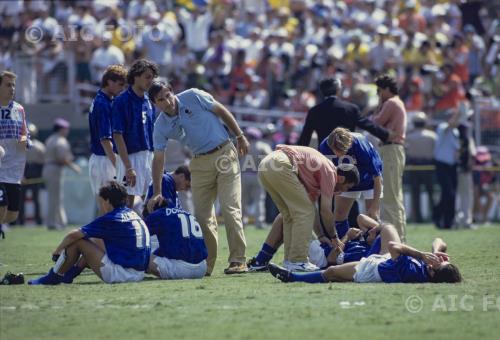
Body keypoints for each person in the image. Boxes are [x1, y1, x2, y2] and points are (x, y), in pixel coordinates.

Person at [146, 81, 249, 275]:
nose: (167, 101)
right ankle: (207, 265)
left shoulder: (193, 95)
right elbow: (158, 159)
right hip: (199, 162)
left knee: (229, 208)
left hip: (224, 153)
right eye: (161, 99)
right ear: (154, 103)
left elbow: (222, 111)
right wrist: (157, 192)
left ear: (172, 92)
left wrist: (240, 135)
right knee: (202, 216)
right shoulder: (159, 125)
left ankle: (238, 260)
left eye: (168, 95)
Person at [258, 144, 360, 272]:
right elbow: (325, 211)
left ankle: (290, 261)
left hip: (267, 164)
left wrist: (321, 235)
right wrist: (334, 237)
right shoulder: (330, 173)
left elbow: (313, 208)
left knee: (290, 215)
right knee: (304, 212)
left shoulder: (318, 176)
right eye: (347, 187)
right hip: (281, 164)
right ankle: (298, 260)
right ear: (341, 178)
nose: (342, 192)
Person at [28, 181, 151, 285]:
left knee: (79, 242)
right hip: (139, 273)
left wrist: (57, 250)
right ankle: (70, 275)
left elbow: (74, 235)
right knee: (94, 240)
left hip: (123, 275)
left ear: (107, 201)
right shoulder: (133, 214)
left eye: (102, 201)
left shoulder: (111, 218)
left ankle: (53, 276)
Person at [269, 227, 462, 284]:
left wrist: (420, 254)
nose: (437, 262)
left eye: (439, 265)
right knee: (387, 227)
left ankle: (292, 278)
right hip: (384, 260)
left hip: (372, 270)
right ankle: (370, 236)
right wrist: (436, 252)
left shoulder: (414, 271)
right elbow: (440, 240)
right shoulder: (432, 267)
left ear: (435, 275)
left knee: (332, 272)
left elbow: (395, 246)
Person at [247, 213, 382, 271]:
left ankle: (261, 260)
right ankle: (261, 261)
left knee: (285, 217)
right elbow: (361, 217)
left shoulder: (363, 252)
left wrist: (347, 236)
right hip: (321, 249)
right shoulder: (367, 242)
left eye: (373, 232)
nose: (370, 230)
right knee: (286, 220)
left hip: (321, 258)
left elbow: (331, 259)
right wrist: (381, 229)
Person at [319, 127, 383, 235]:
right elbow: (326, 174)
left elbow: (377, 178)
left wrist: (375, 206)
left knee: (372, 217)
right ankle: (342, 244)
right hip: (346, 181)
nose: (339, 154)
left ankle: (374, 247)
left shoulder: (361, 145)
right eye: (336, 150)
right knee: (339, 214)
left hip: (368, 180)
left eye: (342, 150)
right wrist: (335, 188)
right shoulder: (325, 147)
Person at [112, 59, 158, 207]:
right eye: (147, 76)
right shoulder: (122, 101)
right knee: (126, 203)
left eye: (152, 77)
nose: (151, 81)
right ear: (136, 76)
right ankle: (123, 230)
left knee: (151, 200)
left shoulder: (148, 101)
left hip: (148, 156)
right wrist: (128, 166)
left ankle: (150, 230)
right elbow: (118, 135)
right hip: (131, 156)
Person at [297, 77, 391, 147]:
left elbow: (305, 137)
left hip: (325, 156)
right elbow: (368, 125)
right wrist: (386, 135)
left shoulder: (314, 111)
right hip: (347, 156)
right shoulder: (350, 108)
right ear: (338, 90)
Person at [372, 74, 407, 241]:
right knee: (395, 196)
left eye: (379, 90)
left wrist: (379, 105)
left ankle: (395, 239)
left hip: (391, 149)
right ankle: (400, 236)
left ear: (386, 89)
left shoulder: (391, 103)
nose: (378, 94)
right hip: (395, 150)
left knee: (390, 198)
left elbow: (375, 122)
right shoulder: (397, 102)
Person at [88, 64, 127, 215]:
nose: (122, 88)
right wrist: (118, 165)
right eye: (120, 84)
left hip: (103, 158)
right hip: (104, 159)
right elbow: (105, 140)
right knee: (107, 207)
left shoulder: (104, 100)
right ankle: (100, 239)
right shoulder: (102, 103)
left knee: (109, 208)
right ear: (109, 81)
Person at [143, 202, 207, 280]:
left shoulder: (158, 214)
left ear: (151, 209)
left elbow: (138, 234)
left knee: (142, 255)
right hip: (202, 268)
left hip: (180, 270)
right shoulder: (188, 214)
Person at [0, 71, 29, 228]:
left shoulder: (19, 109)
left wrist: (24, 141)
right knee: (1, 207)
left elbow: (23, 133)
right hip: (0, 167)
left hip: (14, 170)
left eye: (13, 85)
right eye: (7, 85)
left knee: (12, 215)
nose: (12, 89)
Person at [42, 118, 81, 230]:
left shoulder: (50, 139)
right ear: (62, 129)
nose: (67, 131)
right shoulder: (60, 141)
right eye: (66, 129)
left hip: (48, 168)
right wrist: (74, 167)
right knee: (56, 198)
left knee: (54, 197)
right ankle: (54, 223)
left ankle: (57, 222)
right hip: (55, 168)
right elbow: (62, 158)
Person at [405, 112, 436, 223]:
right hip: (429, 165)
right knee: (431, 192)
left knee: (415, 192)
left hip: (414, 166)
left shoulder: (409, 136)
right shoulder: (432, 136)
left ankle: (418, 217)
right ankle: (434, 215)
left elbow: (406, 151)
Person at [433, 109, 461, 229]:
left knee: (451, 194)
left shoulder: (456, 131)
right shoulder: (442, 127)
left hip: (452, 165)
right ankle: (437, 215)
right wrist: (459, 114)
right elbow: (448, 126)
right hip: (442, 164)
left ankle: (448, 222)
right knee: (448, 192)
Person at [240, 127, 272, 229]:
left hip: (244, 175)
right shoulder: (263, 146)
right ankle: (259, 222)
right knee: (259, 200)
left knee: (242, 200)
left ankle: (241, 222)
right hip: (258, 175)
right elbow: (271, 159)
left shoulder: (243, 145)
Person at [18, 123, 45, 225]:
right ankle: (20, 220)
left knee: (36, 199)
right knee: (21, 199)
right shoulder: (22, 144)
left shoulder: (39, 146)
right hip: (25, 171)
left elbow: (42, 162)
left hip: (35, 172)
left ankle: (38, 220)